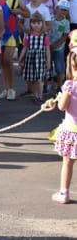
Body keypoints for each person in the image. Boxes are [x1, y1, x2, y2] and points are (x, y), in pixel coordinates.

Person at [45, 29, 77, 204]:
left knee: (68, 162)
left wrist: (58, 100)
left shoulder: (70, 86)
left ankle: (64, 192)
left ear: (72, 66)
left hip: (72, 131)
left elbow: (62, 106)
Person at [0, 0, 30, 101]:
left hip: (11, 33)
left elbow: (27, 13)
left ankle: (11, 89)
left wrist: (18, 11)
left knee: (8, 60)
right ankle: (5, 88)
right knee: (2, 62)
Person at [18, 12, 51, 104]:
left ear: (42, 23)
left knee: (39, 79)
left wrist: (48, 62)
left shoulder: (44, 36)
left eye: (38, 23)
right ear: (31, 24)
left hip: (40, 60)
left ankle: (40, 97)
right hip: (30, 59)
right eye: (34, 23)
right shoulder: (28, 36)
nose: (36, 25)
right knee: (32, 79)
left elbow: (47, 50)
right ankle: (35, 95)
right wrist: (20, 59)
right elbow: (25, 48)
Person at [48, 0, 70, 93]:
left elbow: (65, 36)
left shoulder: (66, 22)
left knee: (59, 67)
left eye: (65, 10)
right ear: (56, 9)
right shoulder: (50, 19)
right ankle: (47, 85)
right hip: (48, 46)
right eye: (62, 9)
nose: (63, 12)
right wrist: (49, 45)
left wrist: (56, 45)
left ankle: (59, 86)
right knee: (47, 66)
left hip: (59, 48)